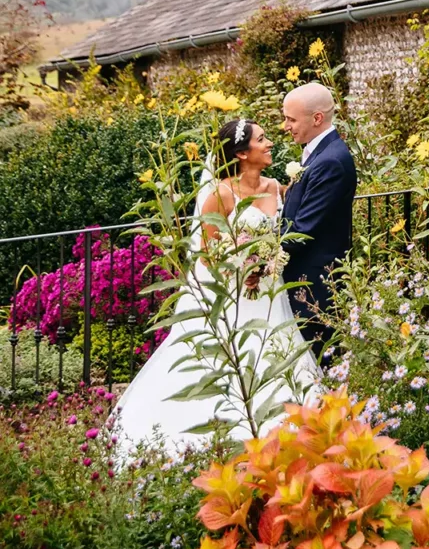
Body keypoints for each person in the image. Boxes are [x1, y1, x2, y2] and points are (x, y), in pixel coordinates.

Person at [112, 118, 318, 458]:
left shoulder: (274, 187)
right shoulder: (218, 195)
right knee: (238, 358)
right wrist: (244, 268)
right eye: (262, 140)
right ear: (241, 153)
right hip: (234, 296)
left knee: (278, 351)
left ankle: (291, 438)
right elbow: (206, 257)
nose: (270, 144)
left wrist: (265, 264)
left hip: (270, 292)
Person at [280, 82, 357, 354]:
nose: (285, 126)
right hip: (304, 277)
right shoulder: (320, 154)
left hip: (315, 283)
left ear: (317, 118)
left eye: (290, 119)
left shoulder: (330, 161)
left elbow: (303, 230)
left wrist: (261, 254)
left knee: (319, 361)